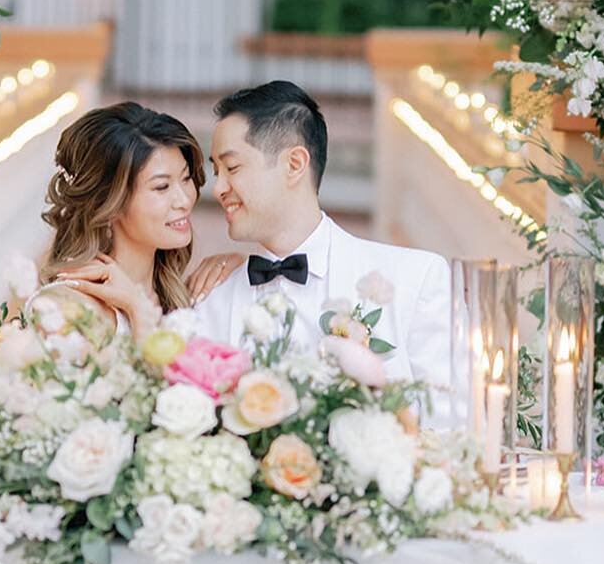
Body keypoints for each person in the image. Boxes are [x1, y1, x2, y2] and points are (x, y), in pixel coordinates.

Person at [190, 80, 451, 386]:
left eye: (232, 168)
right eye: (217, 172)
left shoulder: (413, 280)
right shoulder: (210, 297)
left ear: (295, 164)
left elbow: (446, 418)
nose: (218, 188)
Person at [38, 101, 204, 338]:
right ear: (109, 204)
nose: (185, 200)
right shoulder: (67, 309)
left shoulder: (182, 297)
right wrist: (137, 310)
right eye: (161, 187)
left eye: (186, 178)